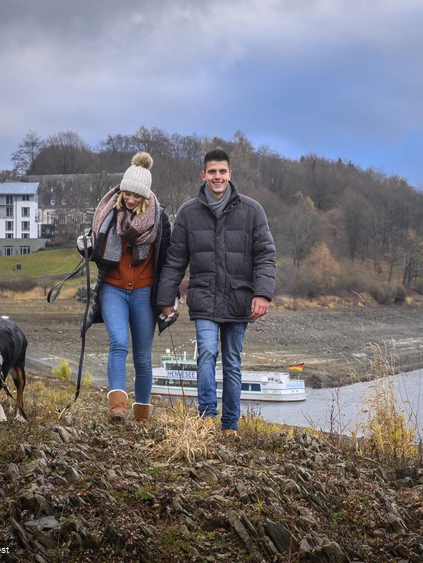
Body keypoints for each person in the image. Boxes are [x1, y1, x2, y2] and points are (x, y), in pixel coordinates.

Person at [156, 148, 277, 434]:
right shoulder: (188, 212)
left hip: (239, 298)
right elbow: (175, 261)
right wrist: (166, 300)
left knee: (233, 362)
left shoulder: (252, 210)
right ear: (204, 175)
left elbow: (265, 255)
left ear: (230, 174)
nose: (217, 176)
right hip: (204, 297)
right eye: (212, 172)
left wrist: (262, 294)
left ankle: (230, 425)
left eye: (222, 171)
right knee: (207, 353)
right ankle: (207, 416)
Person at [77, 151, 175, 423]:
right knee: (118, 342)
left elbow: (168, 261)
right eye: (126, 193)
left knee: (143, 357)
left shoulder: (160, 219)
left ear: (146, 196)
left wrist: (169, 298)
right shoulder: (107, 213)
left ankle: (142, 414)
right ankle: (117, 407)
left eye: (136, 195)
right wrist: (83, 247)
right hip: (113, 289)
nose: (130, 199)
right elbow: (95, 250)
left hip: (145, 293)